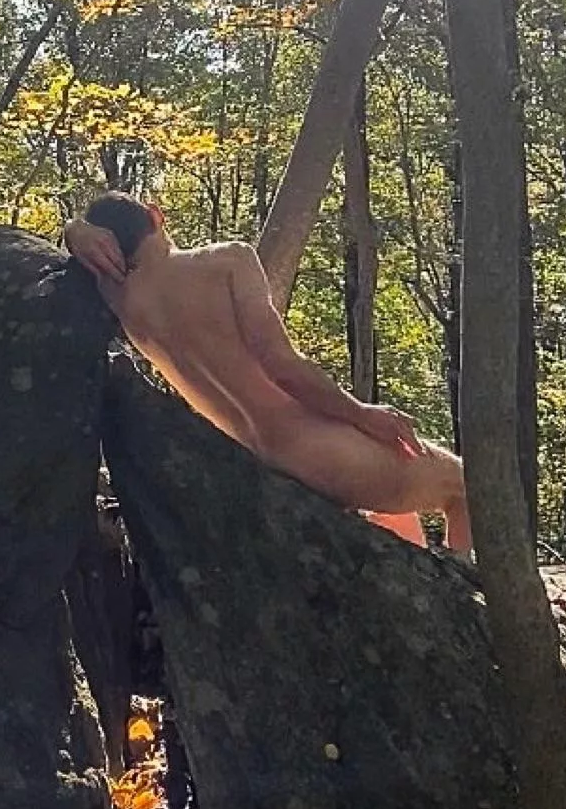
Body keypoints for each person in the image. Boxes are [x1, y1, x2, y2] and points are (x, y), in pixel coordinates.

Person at [65, 192, 471, 556]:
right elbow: (283, 368)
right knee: (464, 486)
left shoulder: (121, 298)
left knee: (395, 520)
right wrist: (363, 414)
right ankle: (474, 610)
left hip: (254, 462)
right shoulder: (226, 261)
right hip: (314, 448)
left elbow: (68, 256)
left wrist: (74, 231)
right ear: (157, 214)